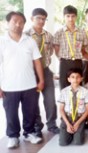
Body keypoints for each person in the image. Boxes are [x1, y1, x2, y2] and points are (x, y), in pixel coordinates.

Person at [0, 11, 43, 149]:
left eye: (21, 22)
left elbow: (37, 62)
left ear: (24, 24)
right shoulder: (2, 42)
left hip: (29, 84)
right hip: (9, 86)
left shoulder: (29, 41)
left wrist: (41, 80)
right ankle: (13, 136)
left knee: (29, 111)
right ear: (8, 22)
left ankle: (29, 133)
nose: (18, 24)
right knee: (11, 113)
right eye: (14, 21)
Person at [24, 8, 59, 137]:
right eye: (39, 18)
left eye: (44, 19)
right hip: (30, 73)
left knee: (50, 99)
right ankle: (37, 126)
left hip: (45, 70)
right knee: (33, 101)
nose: (41, 21)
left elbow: (50, 53)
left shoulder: (48, 36)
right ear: (31, 18)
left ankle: (52, 125)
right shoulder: (25, 35)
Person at [53, 5, 88, 89]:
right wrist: (61, 59)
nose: (70, 19)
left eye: (73, 16)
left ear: (76, 17)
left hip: (78, 62)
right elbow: (56, 48)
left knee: (78, 86)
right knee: (64, 86)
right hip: (64, 63)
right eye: (68, 16)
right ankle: (64, 102)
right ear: (64, 17)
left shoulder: (82, 32)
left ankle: (77, 102)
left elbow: (83, 49)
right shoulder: (59, 32)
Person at [58, 68, 88, 146]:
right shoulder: (64, 92)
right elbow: (61, 109)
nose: (75, 79)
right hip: (67, 118)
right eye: (72, 77)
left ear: (81, 78)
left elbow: (87, 110)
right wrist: (67, 124)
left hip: (79, 118)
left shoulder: (85, 92)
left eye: (77, 77)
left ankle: (78, 131)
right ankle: (70, 132)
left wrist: (77, 124)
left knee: (78, 142)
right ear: (68, 79)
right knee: (63, 143)